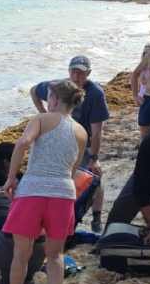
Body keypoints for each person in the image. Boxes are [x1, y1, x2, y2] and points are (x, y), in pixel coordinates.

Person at [3, 80, 89, 284]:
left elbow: (22, 143)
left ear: (53, 99)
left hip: (33, 190)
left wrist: (11, 177)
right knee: (55, 255)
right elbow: (74, 168)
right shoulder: (81, 131)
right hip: (63, 193)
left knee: (21, 254)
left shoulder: (41, 119)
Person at [32, 56, 111, 232]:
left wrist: (94, 157)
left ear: (88, 73)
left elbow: (97, 130)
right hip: (59, 139)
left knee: (95, 178)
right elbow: (34, 91)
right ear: (68, 71)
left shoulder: (95, 93)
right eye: (73, 71)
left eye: (81, 72)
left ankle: (96, 218)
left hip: (83, 141)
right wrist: (44, 114)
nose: (76, 76)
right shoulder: (58, 87)